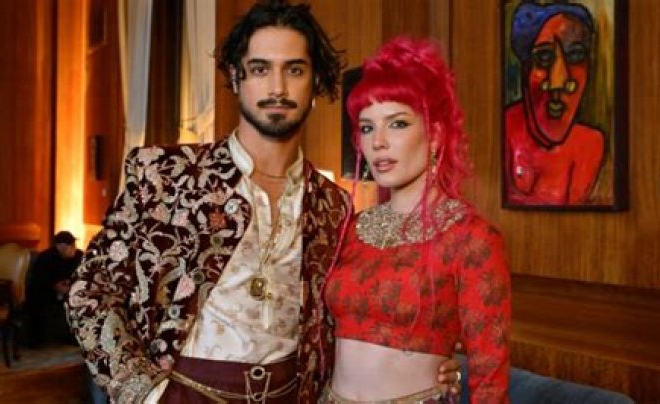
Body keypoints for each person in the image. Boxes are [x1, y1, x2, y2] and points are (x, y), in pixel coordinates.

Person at [65, 2, 461, 403]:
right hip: (186, 393)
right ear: (236, 78)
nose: (277, 88)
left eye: (294, 70)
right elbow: (90, 290)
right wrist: (146, 393)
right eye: (259, 69)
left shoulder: (333, 206)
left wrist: (428, 365)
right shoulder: (165, 175)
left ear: (315, 82)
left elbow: (350, 316)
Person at [323, 37, 511, 403]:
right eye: (366, 127)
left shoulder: (472, 238)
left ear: (436, 135)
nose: (378, 142)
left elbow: (490, 379)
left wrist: (455, 368)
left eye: (397, 124)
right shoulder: (352, 228)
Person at [504, 1, 604, 205]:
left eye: (575, 55)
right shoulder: (501, 134)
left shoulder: (590, 146)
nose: (558, 81)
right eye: (544, 57)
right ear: (525, 69)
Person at [26, 230, 82, 347]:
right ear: (58, 247)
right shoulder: (46, 257)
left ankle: (74, 336)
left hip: (74, 291)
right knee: (36, 298)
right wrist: (54, 286)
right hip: (47, 292)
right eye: (64, 248)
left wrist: (71, 285)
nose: (71, 249)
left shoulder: (80, 256)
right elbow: (38, 280)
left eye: (72, 246)